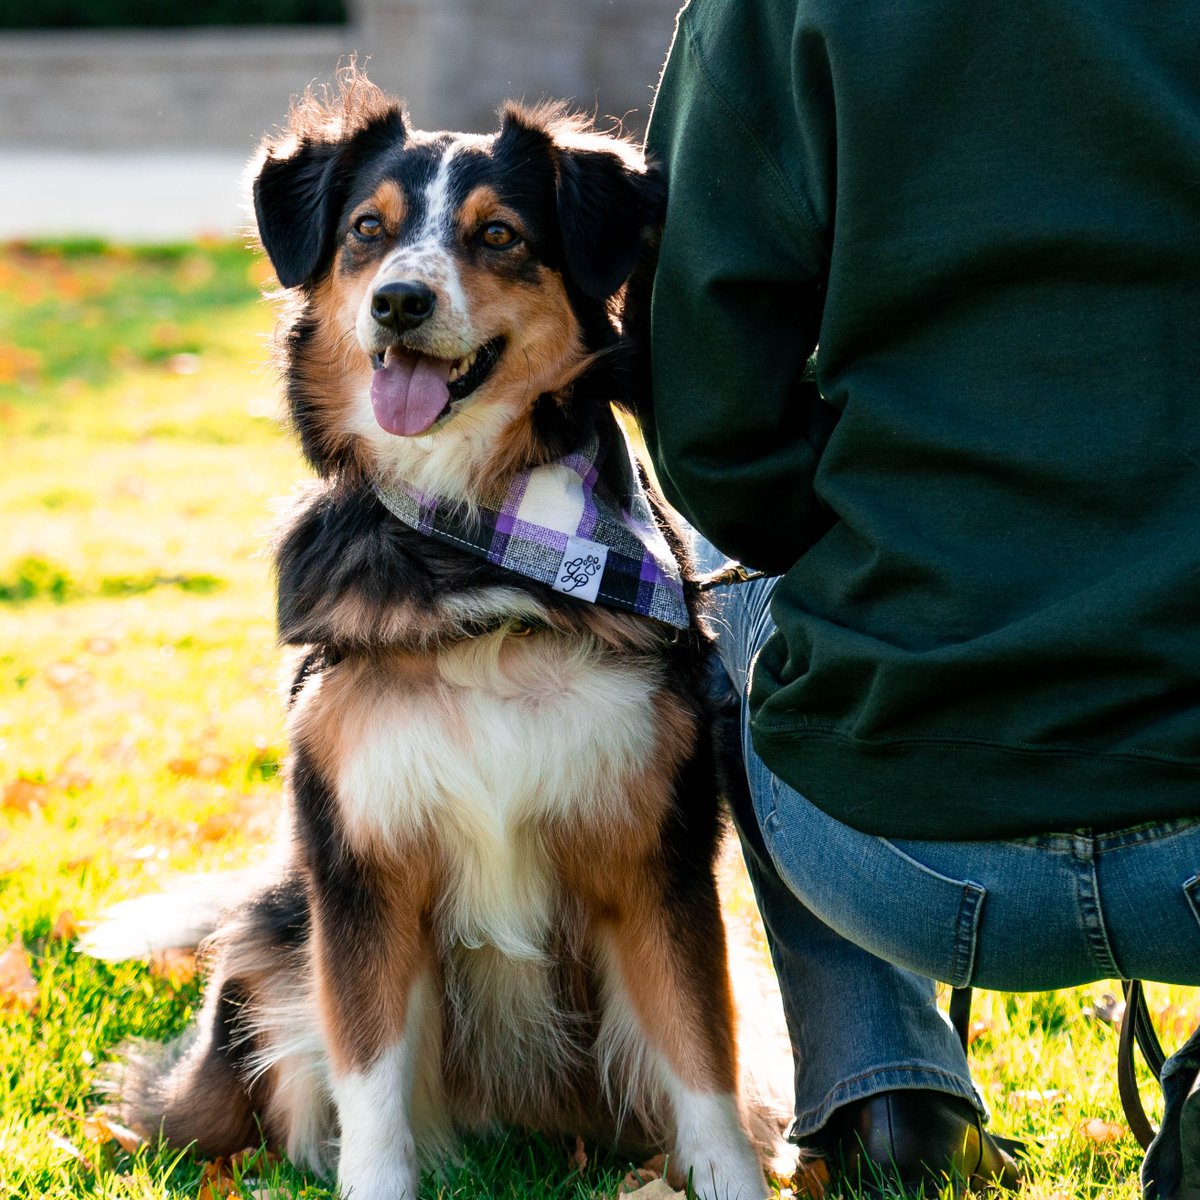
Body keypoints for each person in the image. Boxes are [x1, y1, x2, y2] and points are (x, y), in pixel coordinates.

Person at [638, 0, 1200, 1194]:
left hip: (897, 853)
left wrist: (855, 558)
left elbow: (708, 412)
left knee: (727, 567)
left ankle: (884, 1093)